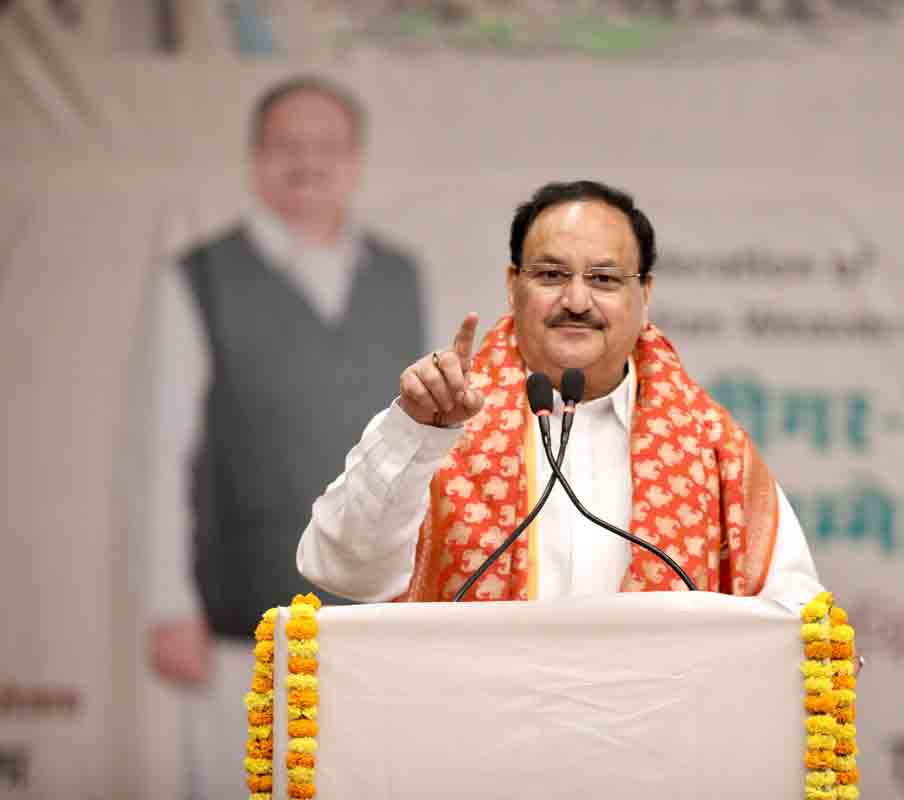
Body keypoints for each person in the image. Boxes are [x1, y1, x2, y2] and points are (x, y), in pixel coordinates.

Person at [297, 180, 821, 608]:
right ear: (512, 284)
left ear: (645, 296)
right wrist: (417, 433)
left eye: (604, 279)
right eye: (551, 274)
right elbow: (341, 569)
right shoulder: (441, 416)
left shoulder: (709, 446)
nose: (576, 300)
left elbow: (790, 607)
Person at [143, 76, 427, 799]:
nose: (309, 162)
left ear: (356, 160)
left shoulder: (401, 277)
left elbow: (426, 447)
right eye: (288, 145)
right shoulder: (200, 276)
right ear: (256, 157)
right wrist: (167, 605)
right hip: (242, 625)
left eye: (327, 146)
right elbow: (161, 448)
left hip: (375, 626)